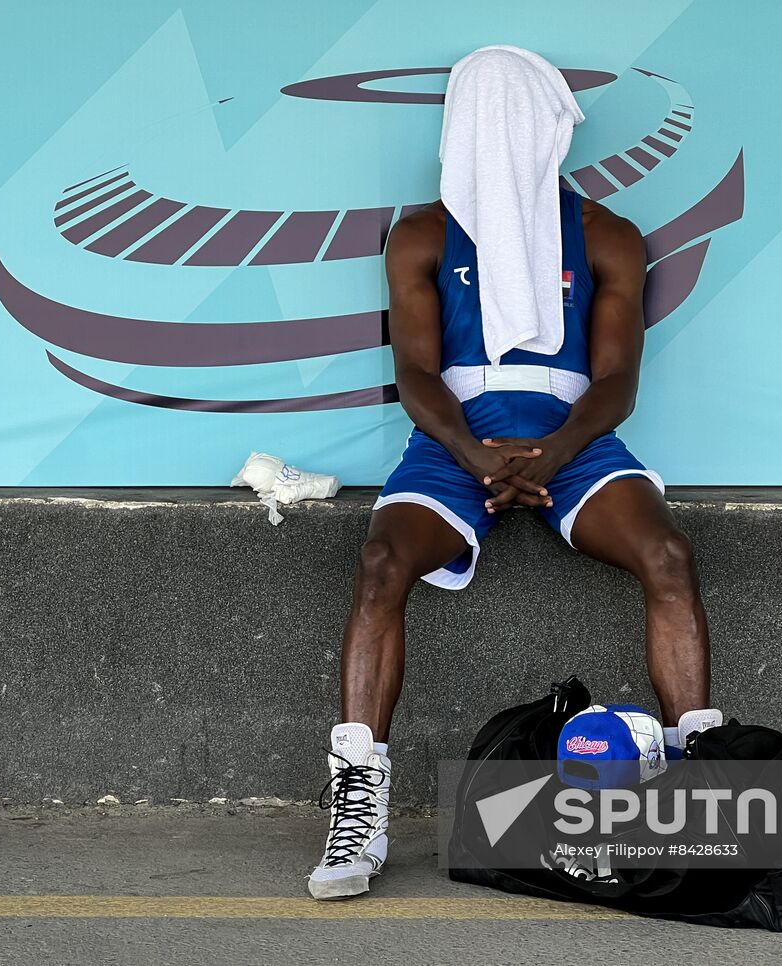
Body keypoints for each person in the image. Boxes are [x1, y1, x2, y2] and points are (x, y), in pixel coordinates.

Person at [308, 46, 720, 901]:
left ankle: (699, 776)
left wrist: (555, 455)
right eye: (480, 120)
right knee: (382, 564)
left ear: (551, 131)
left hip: (573, 440)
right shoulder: (421, 234)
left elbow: (617, 383)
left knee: (669, 557)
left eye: (516, 120)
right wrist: (475, 457)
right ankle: (360, 800)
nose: (499, 137)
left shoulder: (607, 236)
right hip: (459, 441)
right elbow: (417, 373)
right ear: (457, 130)